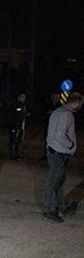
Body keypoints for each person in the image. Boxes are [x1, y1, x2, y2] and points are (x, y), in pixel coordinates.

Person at [42, 92, 83, 223]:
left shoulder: (58, 112)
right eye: (80, 104)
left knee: (59, 181)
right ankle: (50, 209)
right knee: (54, 182)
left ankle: (60, 207)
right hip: (59, 152)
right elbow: (60, 135)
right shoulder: (67, 114)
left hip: (55, 151)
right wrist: (70, 144)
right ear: (76, 102)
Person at [8, 93, 29, 159]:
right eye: (22, 97)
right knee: (13, 139)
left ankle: (16, 152)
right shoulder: (14, 105)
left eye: (24, 97)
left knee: (19, 140)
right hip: (14, 125)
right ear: (18, 97)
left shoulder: (24, 106)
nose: (24, 99)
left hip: (20, 126)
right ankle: (12, 153)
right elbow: (13, 115)